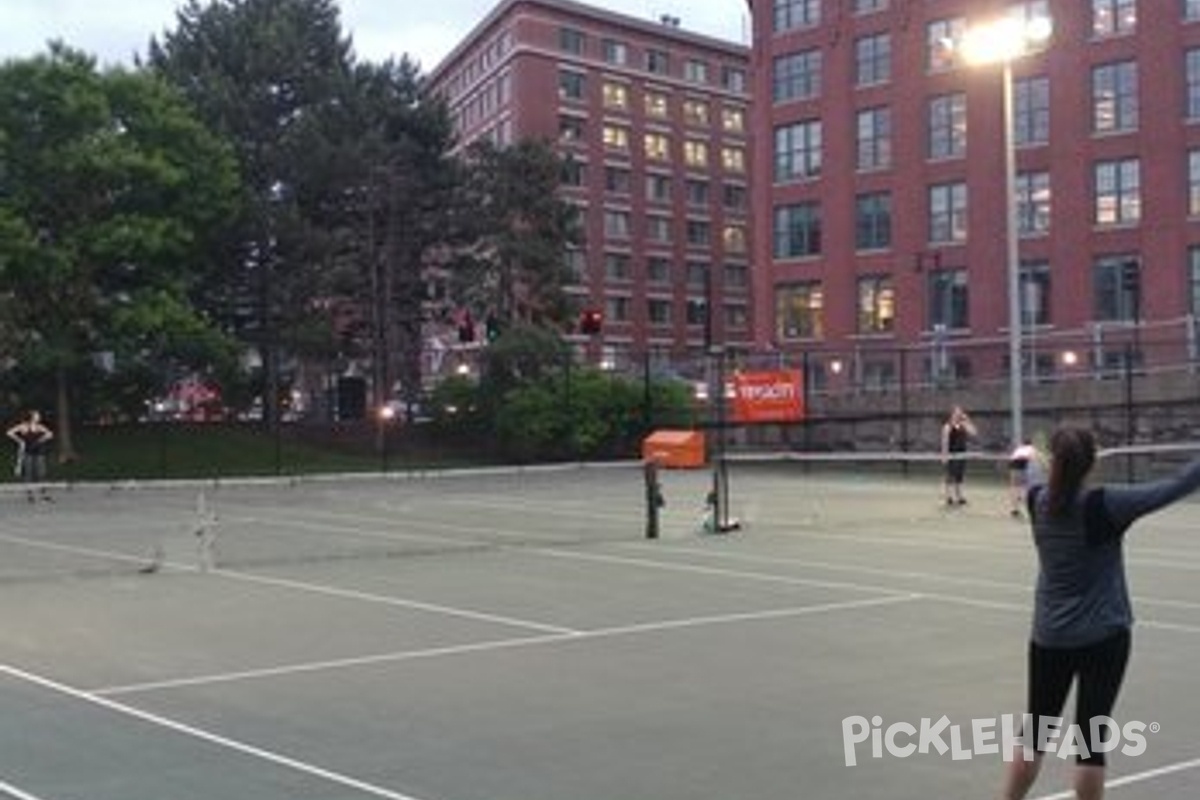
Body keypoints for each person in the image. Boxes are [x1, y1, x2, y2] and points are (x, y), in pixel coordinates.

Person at [998, 426, 1200, 800]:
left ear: (1056, 461)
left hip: (1049, 638)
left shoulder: (1036, 499)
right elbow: (1176, 484)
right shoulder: (1106, 505)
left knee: (1035, 735)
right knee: (1091, 742)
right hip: (1103, 637)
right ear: (1091, 463)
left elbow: (1039, 472)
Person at [7, 410, 54, 502]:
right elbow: (9, 432)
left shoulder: (39, 427)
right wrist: (20, 440)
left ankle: (43, 494)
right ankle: (30, 494)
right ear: (32, 417)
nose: (39, 417)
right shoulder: (24, 426)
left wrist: (41, 439)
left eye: (39, 415)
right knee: (29, 473)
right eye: (37, 415)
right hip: (27, 452)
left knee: (41, 473)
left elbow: (50, 434)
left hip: (39, 452)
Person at [941, 405, 976, 506]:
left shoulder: (963, 425)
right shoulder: (947, 426)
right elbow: (944, 441)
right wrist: (944, 455)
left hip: (962, 454)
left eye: (960, 413)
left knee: (959, 477)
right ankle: (949, 497)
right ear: (952, 414)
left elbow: (973, 433)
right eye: (956, 413)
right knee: (949, 477)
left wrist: (967, 420)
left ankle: (960, 497)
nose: (958, 414)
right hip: (951, 455)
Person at [1008, 439, 1041, 518]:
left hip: (1012, 466)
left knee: (1015, 487)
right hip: (1020, 466)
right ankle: (1023, 504)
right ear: (1031, 444)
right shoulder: (1031, 448)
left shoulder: (1019, 449)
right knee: (1024, 487)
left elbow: (1013, 458)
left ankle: (1014, 509)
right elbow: (1034, 458)